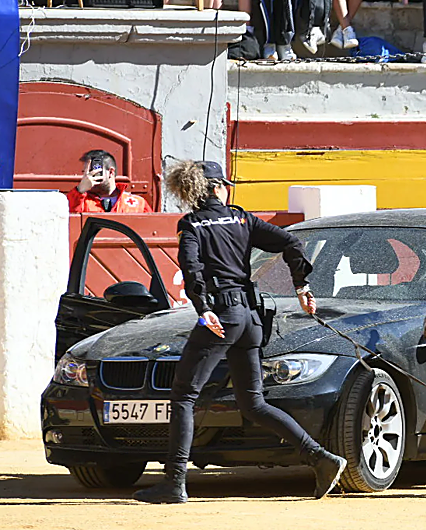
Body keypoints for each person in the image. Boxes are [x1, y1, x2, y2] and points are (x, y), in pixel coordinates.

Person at [133, 161, 347, 504]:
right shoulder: (242, 218)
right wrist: (301, 285)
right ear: (217, 187)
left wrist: (203, 308)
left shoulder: (191, 224)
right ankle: (320, 458)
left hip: (222, 314)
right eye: (226, 184)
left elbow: (191, 268)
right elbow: (291, 242)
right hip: (250, 317)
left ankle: (174, 483)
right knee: (253, 403)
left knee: (184, 396)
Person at [66, 150, 152, 214]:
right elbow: (68, 222)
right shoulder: (81, 202)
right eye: (85, 172)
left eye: (93, 171)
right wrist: (79, 190)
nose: (88, 176)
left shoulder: (138, 204)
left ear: (111, 172)